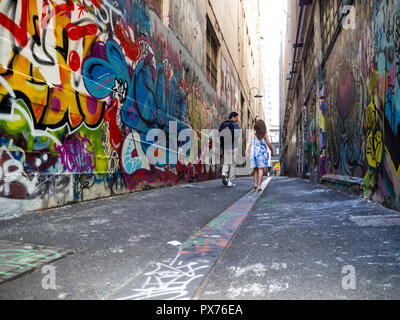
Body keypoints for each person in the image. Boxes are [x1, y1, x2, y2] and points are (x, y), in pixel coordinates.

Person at [245, 119, 274, 191]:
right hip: (261, 152)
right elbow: (268, 144)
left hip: (254, 152)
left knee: (255, 168)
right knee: (260, 169)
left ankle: (255, 184)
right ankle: (259, 185)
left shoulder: (252, 133)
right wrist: (272, 151)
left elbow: (249, 142)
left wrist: (246, 150)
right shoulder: (264, 134)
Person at [219, 112, 240, 187]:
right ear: (233, 117)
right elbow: (237, 136)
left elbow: (219, 134)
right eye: (237, 118)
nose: (237, 119)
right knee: (233, 165)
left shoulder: (223, 124)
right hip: (233, 147)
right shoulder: (235, 125)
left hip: (226, 147)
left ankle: (224, 173)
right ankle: (230, 181)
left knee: (226, 162)